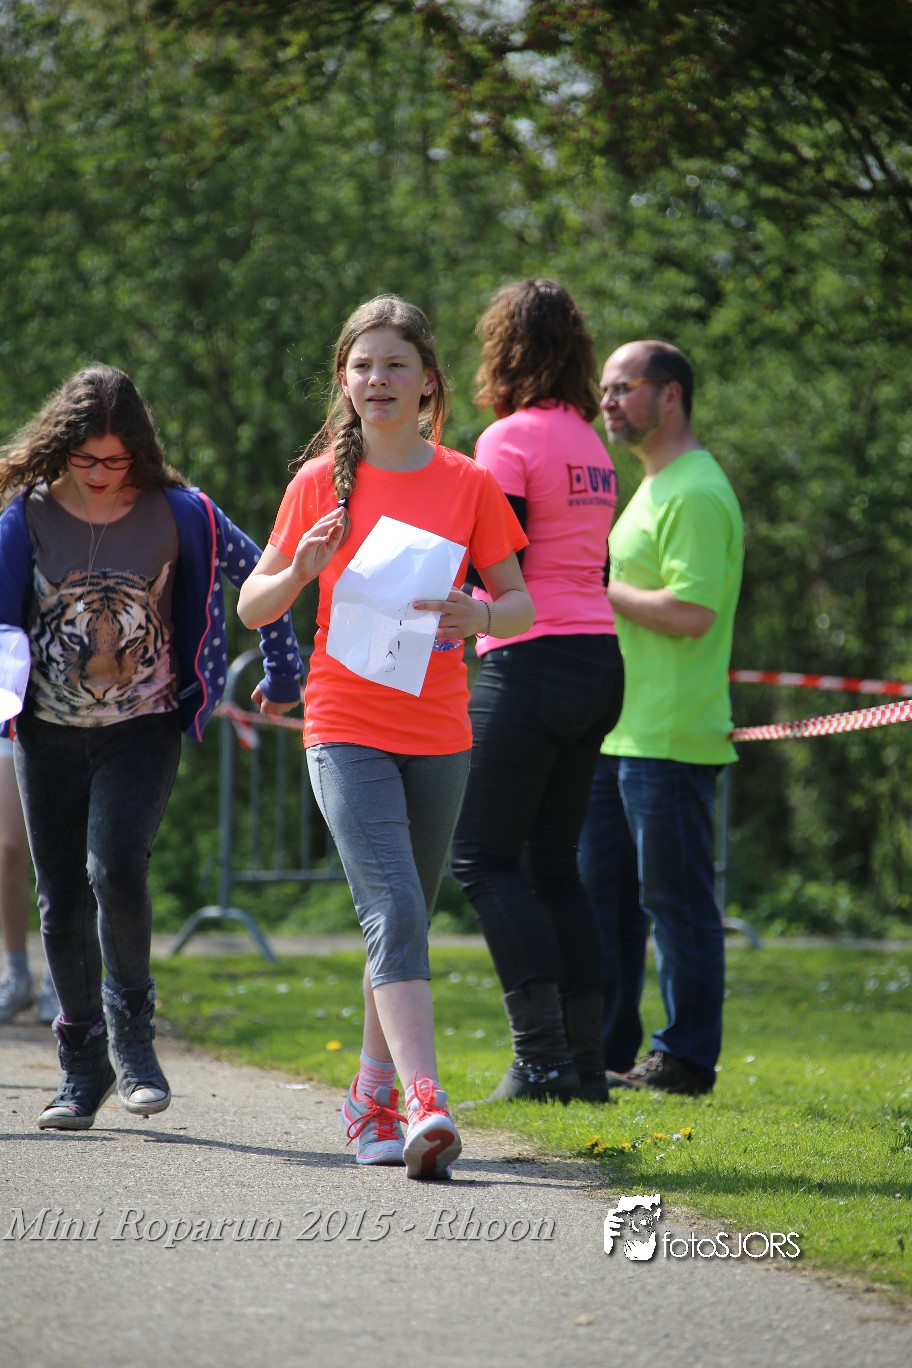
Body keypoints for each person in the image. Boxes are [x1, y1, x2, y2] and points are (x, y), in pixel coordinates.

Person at [238, 295, 532, 1178]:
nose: (378, 379)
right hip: (344, 723)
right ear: (344, 380)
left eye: (396, 364)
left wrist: (480, 615)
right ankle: (424, 1100)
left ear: (428, 381)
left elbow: (520, 603)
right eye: (363, 366)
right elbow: (253, 605)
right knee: (395, 910)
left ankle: (367, 1095)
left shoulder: (468, 482)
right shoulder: (316, 484)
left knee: (398, 919)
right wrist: (299, 569)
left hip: (440, 730)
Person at [0, 364, 303, 1129]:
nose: (101, 474)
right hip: (46, 729)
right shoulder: (24, 516)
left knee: (115, 868)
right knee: (59, 899)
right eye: (85, 459)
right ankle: (82, 1065)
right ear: (60, 447)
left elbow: (263, 575)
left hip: (145, 726)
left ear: (137, 449)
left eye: (116, 460)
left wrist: (282, 671)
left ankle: (134, 1042)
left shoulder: (183, 511)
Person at [449, 279, 624, 1105]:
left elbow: (497, 561)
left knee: (481, 858)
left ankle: (543, 1061)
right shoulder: (592, 443)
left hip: (532, 660)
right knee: (551, 865)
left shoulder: (508, 438)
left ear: (503, 347)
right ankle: (584, 1066)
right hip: (599, 661)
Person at [598, 339, 743, 1096]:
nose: (609, 402)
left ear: (671, 395)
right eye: (605, 390)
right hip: (625, 730)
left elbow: (692, 613)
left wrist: (598, 586)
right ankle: (605, 1052)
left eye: (624, 387)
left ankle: (686, 1060)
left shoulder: (694, 490)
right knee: (609, 902)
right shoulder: (654, 486)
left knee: (676, 907)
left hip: (673, 735)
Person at [577, 754, 648, 1074]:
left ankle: (606, 1049)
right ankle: (600, 1048)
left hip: (635, 748)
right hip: (600, 748)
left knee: (621, 904)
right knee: (603, 901)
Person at [0, 742, 59, 1024]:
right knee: (9, 848)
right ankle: (16, 975)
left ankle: (60, 979)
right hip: (8, 726)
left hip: (63, 724)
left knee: (62, 850)